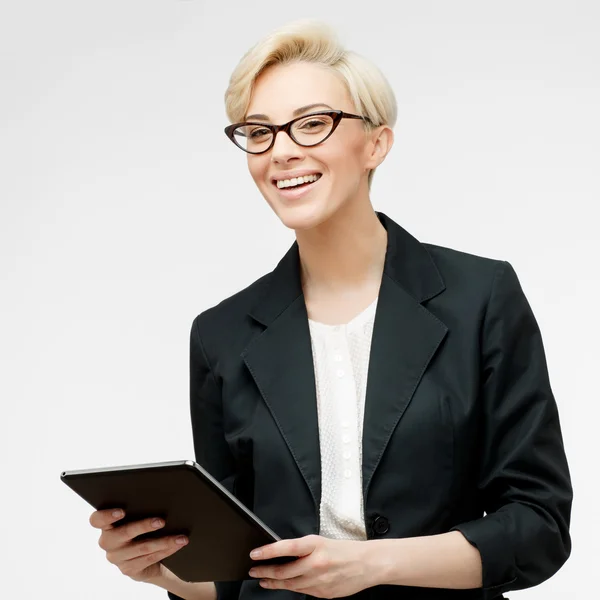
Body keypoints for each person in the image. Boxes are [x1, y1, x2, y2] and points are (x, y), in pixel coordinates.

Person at [89, 19, 572, 600]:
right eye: (259, 132)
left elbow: (537, 529)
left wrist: (371, 565)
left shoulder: (481, 298)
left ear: (376, 143)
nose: (283, 151)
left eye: (313, 123)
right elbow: (239, 570)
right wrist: (168, 571)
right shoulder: (220, 336)